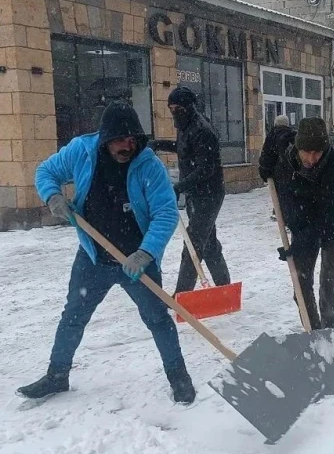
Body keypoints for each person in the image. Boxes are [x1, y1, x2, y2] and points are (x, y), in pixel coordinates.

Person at [19, 102, 195, 403]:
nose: (128, 145)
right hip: (93, 258)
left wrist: (146, 253)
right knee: (73, 316)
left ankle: (179, 376)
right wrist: (53, 196)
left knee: (157, 319)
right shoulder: (82, 151)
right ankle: (57, 376)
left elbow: (165, 213)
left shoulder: (149, 165)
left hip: (137, 261)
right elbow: (46, 171)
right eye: (121, 139)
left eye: (133, 139)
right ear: (105, 138)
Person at [275, 117, 334, 330]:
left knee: (329, 285)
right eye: (306, 152)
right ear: (298, 148)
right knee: (300, 285)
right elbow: (287, 202)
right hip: (304, 228)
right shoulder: (287, 164)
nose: (311, 158)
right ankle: (313, 333)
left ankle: (332, 335)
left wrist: (300, 241)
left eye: (317, 152)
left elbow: (327, 217)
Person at [149, 87, 230, 293]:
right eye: (171, 108)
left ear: (188, 107)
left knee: (193, 245)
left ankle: (181, 296)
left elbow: (206, 169)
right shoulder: (186, 126)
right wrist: (158, 144)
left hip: (209, 195)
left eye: (177, 108)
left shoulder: (202, 130)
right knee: (208, 243)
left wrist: (179, 187)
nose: (174, 112)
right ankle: (225, 288)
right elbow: (184, 148)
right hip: (195, 193)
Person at [259, 115, 296, 222]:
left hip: (277, 171)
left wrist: (264, 170)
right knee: (289, 193)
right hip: (291, 170)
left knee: (280, 193)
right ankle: (285, 215)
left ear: (276, 123)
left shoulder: (272, 136)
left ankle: (281, 215)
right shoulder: (292, 135)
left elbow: (266, 155)